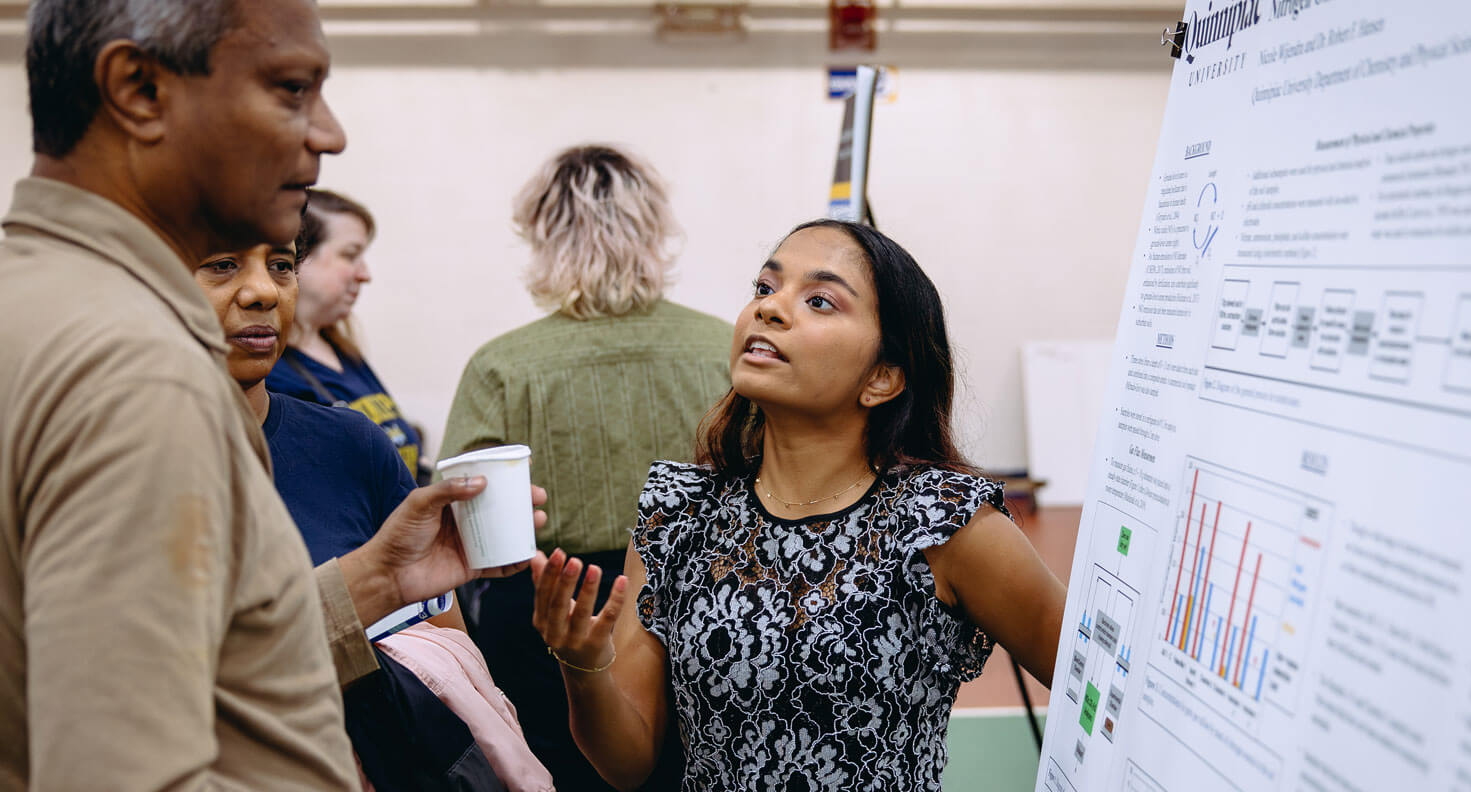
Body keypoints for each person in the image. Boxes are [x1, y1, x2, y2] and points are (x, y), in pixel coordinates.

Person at [0, 0, 527, 787]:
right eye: (291, 88)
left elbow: (192, 666)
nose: (329, 133)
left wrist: (364, 584)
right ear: (138, 87)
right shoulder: (138, 368)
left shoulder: (39, 305)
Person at [529, 220, 1069, 791]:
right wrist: (582, 664)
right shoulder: (678, 512)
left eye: (819, 300)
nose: (770, 309)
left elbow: (1096, 688)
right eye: (765, 288)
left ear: (882, 378)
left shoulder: (941, 522)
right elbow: (627, 761)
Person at [194, 232, 554, 791]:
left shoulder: (348, 442)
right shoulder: (108, 463)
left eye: (283, 265)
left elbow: (443, 670)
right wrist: (376, 583)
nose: (263, 290)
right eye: (221, 265)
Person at [441, 144, 729, 790]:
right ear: (654, 230)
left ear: (542, 234)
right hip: (707, 599)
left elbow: (467, 522)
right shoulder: (724, 349)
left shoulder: (502, 366)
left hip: (553, 608)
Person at [268, 189, 426, 480]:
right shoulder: (267, 373)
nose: (365, 274)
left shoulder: (343, 351)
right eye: (350, 255)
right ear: (299, 258)